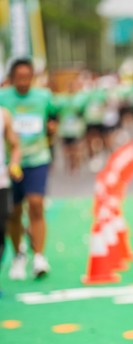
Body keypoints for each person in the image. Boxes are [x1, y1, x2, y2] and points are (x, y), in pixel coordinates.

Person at [0, 58, 56, 279]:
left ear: (32, 77)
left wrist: (52, 128)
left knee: (36, 204)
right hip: (10, 164)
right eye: (19, 78)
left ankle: (39, 256)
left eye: (27, 77)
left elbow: (53, 118)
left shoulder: (44, 97)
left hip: (37, 159)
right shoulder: (3, 98)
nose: (23, 82)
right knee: (13, 212)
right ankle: (19, 254)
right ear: (11, 78)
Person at [0, 106, 21, 295]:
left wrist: (14, 162)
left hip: (1, 181)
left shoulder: (3, 114)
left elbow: (14, 144)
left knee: (1, 230)